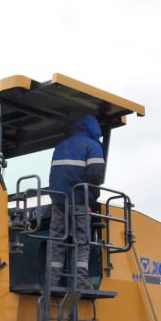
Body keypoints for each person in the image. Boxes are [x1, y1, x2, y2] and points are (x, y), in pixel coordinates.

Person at [47, 113, 106, 288]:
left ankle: (52, 282)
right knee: (82, 241)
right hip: (80, 201)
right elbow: (96, 174)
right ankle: (80, 282)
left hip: (59, 202)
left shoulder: (60, 146)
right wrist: (92, 196)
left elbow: (55, 176)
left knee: (57, 242)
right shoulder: (92, 146)